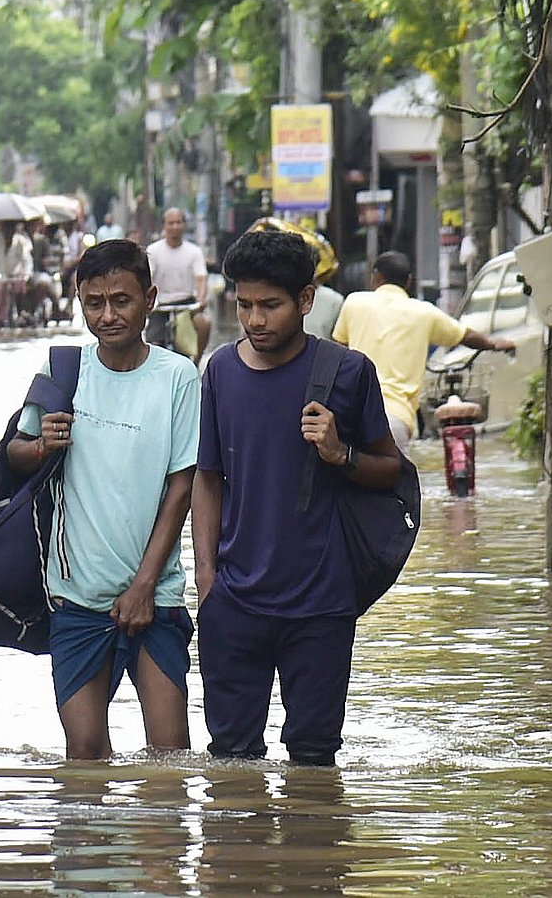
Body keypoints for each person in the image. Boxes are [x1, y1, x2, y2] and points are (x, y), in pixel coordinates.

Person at [192, 228, 401, 767]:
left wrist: (340, 454)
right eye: (244, 304)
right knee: (231, 766)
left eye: (271, 305)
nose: (256, 319)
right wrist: (207, 578)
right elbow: (208, 478)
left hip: (322, 605)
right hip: (234, 599)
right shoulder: (218, 371)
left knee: (314, 763)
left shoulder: (349, 373)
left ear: (306, 300)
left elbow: (390, 470)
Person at [6, 239, 200, 760]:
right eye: (95, 303)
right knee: (85, 755)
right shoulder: (62, 371)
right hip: (75, 599)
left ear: (150, 299)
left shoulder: (179, 378)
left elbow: (181, 488)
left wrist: (143, 586)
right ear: (79, 302)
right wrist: (42, 444)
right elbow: (14, 455)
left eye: (122, 300)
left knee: (170, 756)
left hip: (156, 597)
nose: (108, 315)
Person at [332, 250, 515, 449]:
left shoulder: (354, 303)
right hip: (396, 418)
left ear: (376, 277)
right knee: (393, 477)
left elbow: (338, 351)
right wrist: (494, 344)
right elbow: (466, 336)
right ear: (408, 281)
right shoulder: (424, 312)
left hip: (355, 415)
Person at [146, 208, 211, 363]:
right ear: (164, 226)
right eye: (171, 223)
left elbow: (201, 278)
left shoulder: (194, 251)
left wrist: (201, 299)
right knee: (152, 344)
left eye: (178, 222)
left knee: (204, 324)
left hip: (186, 305)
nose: (175, 227)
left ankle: (195, 363)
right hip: (160, 305)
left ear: (184, 225)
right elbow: (147, 278)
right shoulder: (153, 251)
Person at [0, 219, 34, 327]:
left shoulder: (20, 241)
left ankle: (21, 311)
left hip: (15, 275)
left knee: (21, 286)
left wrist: (27, 274)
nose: (8, 231)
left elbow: (26, 260)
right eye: (6, 228)